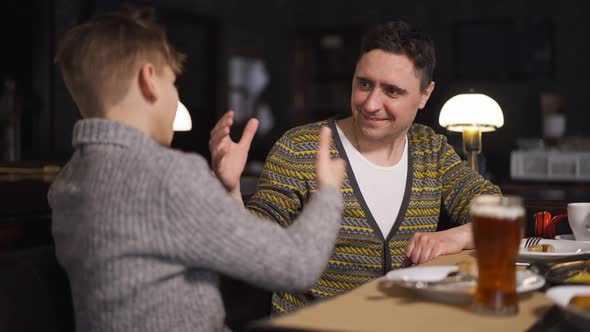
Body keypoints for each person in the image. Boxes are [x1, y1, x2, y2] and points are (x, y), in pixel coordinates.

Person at [48, 7, 347, 332]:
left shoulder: (66, 183)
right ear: (149, 79)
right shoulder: (168, 177)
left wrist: (224, 188)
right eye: (173, 82)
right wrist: (328, 193)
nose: (176, 96)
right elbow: (297, 265)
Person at [210, 20, 501, 313]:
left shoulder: (431, 150)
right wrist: (231, 188)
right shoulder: (300, 147)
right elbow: (252, 250)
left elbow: (499, 213)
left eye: (392, 91)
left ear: (424, 94)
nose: (371, 103)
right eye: (364, 84)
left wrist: (456, 236)